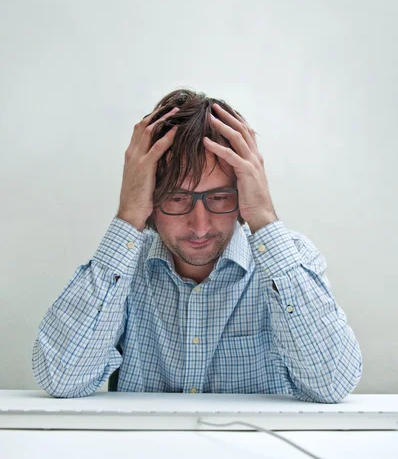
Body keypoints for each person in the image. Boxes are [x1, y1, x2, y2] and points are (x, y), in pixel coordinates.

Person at [32, 88, 362, 400]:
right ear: (150, 196)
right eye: (177, 198)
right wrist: (128, 215)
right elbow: (61, 379)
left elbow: (332, 385)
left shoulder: (289, 261)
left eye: (219, 197)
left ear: (243, 192)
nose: (200, 225)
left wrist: (263, 215)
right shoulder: (123, 269)